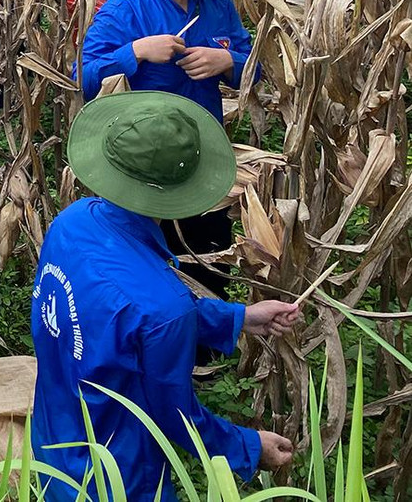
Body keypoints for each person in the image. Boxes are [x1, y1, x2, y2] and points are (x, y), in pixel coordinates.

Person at [32, 90, 299, 501]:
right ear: (181, 189)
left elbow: (124, 321)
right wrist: (248, 447)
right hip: (120, 477)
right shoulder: (163, 309)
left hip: (55, 446)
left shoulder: (71, 223)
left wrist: (239, 318)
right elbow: (175, 417)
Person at [80, 0, 257, 296]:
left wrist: (227, 61)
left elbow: (254, 68)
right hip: (140, 168)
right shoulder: (127, 9)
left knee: (207, 259)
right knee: (144, 272)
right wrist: (136, 53)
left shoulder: (219, 6)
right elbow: (86, 77)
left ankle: (208, 348)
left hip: (201, 157)